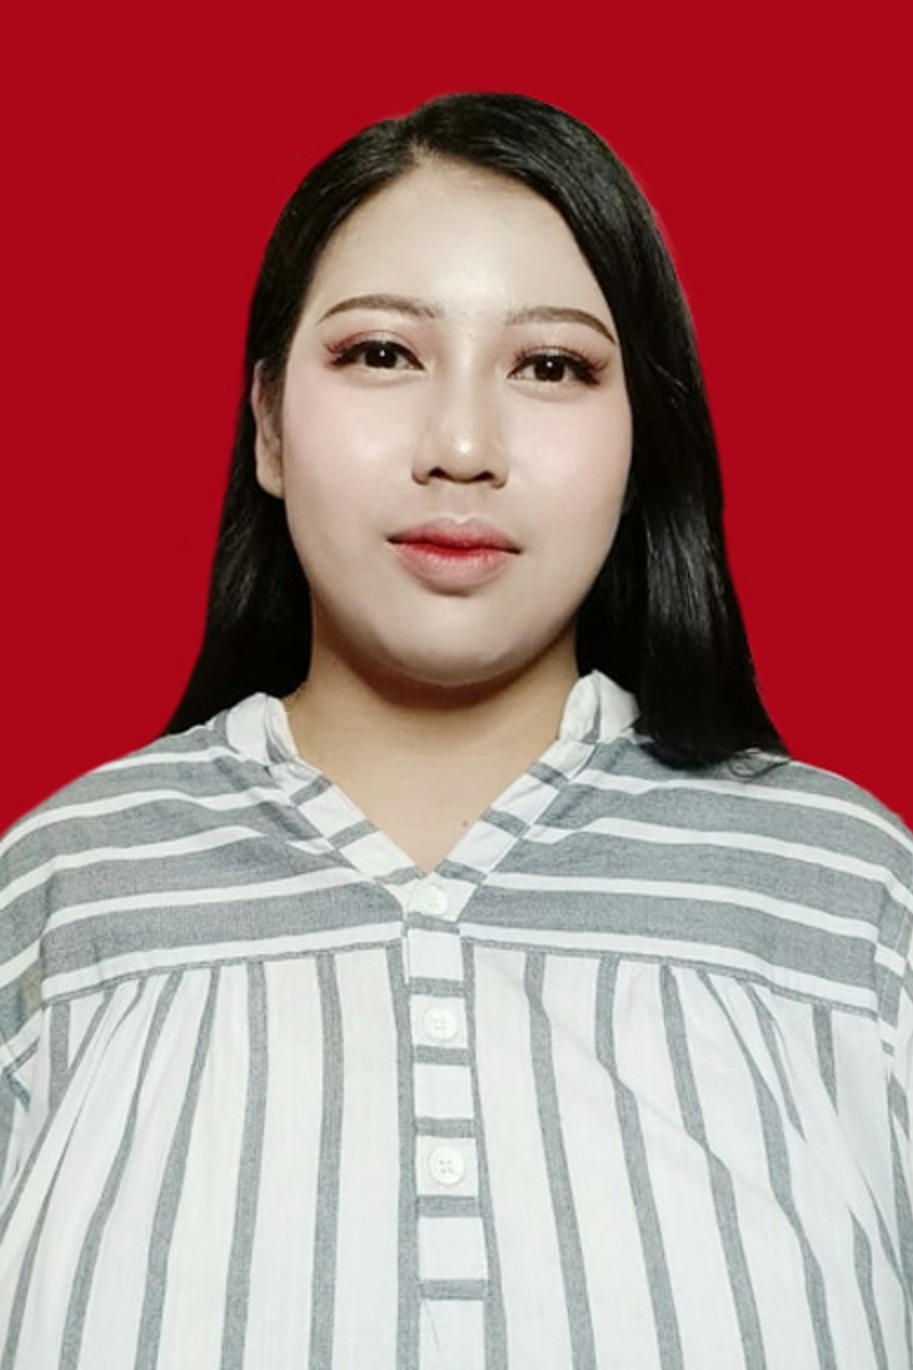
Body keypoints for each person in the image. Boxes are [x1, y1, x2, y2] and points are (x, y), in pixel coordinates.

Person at [0, 92, 910, 1370]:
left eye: (552, 367)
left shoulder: (857, 896)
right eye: (381, 353)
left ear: (640, 441)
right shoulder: (56, 892)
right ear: (269, 424)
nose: (463, 445)